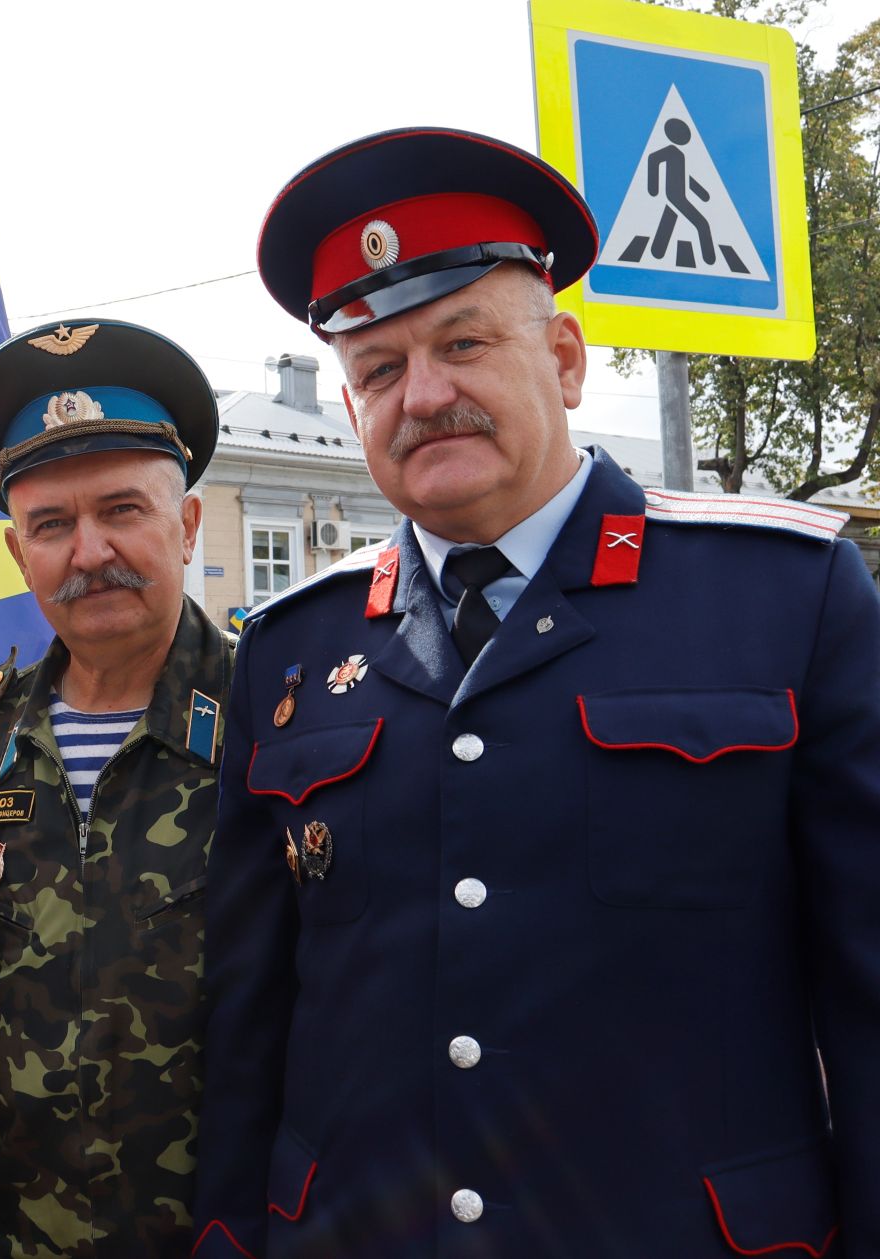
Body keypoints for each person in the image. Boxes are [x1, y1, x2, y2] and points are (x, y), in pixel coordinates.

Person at [193, 127, 880, 1258]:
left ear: (563, 356)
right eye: (377, 370)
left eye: (462, 342)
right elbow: (252, 1023)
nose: (423, 395)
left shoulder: (786, 596)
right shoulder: (287, 650)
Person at [0, 320, 233, 1257]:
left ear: (185, 525)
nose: (88, 549)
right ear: (21, 557)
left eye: (122, 510)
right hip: (5, 1234)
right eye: (52, 526)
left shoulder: (283, 719)